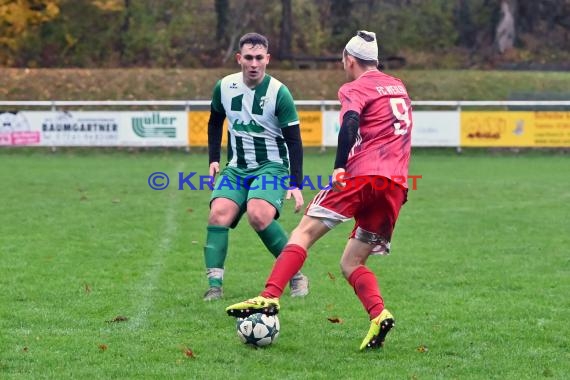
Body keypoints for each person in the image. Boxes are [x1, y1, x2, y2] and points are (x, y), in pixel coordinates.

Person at [225, 30, 413, 351]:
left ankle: (269, 297)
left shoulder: (355, 87)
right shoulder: (397, 86)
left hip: (361, 177)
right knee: (351, 263)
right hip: (395, 185)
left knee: (302, 234)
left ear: (349, 60)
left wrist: (340, 165)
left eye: (343, 62)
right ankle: (378, 314)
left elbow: (350, 122)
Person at [202, 32, 309, 301]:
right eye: (248, 57)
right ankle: (214, 286)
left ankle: (296, 275)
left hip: (271, 167)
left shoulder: (279, 93)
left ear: (267, 59)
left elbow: (294, 142)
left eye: (259, 58)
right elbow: (215, 122)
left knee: (258, 215)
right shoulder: (224, 86)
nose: (253, 63)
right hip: (236, 168)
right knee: (218, 215)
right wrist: (214, 159)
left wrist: (296, 183)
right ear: (239, 58)